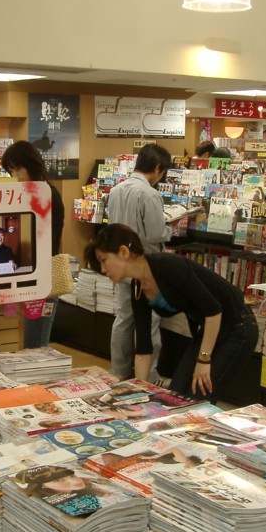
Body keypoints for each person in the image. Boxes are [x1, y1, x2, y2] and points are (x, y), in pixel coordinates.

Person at [85, 223, 258, 403]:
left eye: (104, 260)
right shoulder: (137, 288)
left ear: (123, 252)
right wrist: (138, 391)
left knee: (197, 397)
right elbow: (143, 348)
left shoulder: (167, 266)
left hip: (237, 325)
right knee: (174, 395)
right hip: (210, 329)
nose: (103, 270)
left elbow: (213, 310)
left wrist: (204, 360)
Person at [105, 144, 174, 383]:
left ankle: (119, 370)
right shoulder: (149, 194)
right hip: (145, 265)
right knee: (150, 322)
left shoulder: (116, 190)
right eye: (162, 172)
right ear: (157, 168)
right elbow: (155, 233)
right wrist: (170, 226)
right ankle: (149, 375)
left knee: (124, 317)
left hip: (121, 263)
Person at [1, 140, 64, 348]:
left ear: (31, 164)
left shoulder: (48, 194)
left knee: (35, 345)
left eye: (18, 168)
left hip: (40, 281)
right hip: (16, 279)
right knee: (14, 341)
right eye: (10, 170)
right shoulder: (16, 195)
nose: (15, 175)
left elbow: (48, 242)